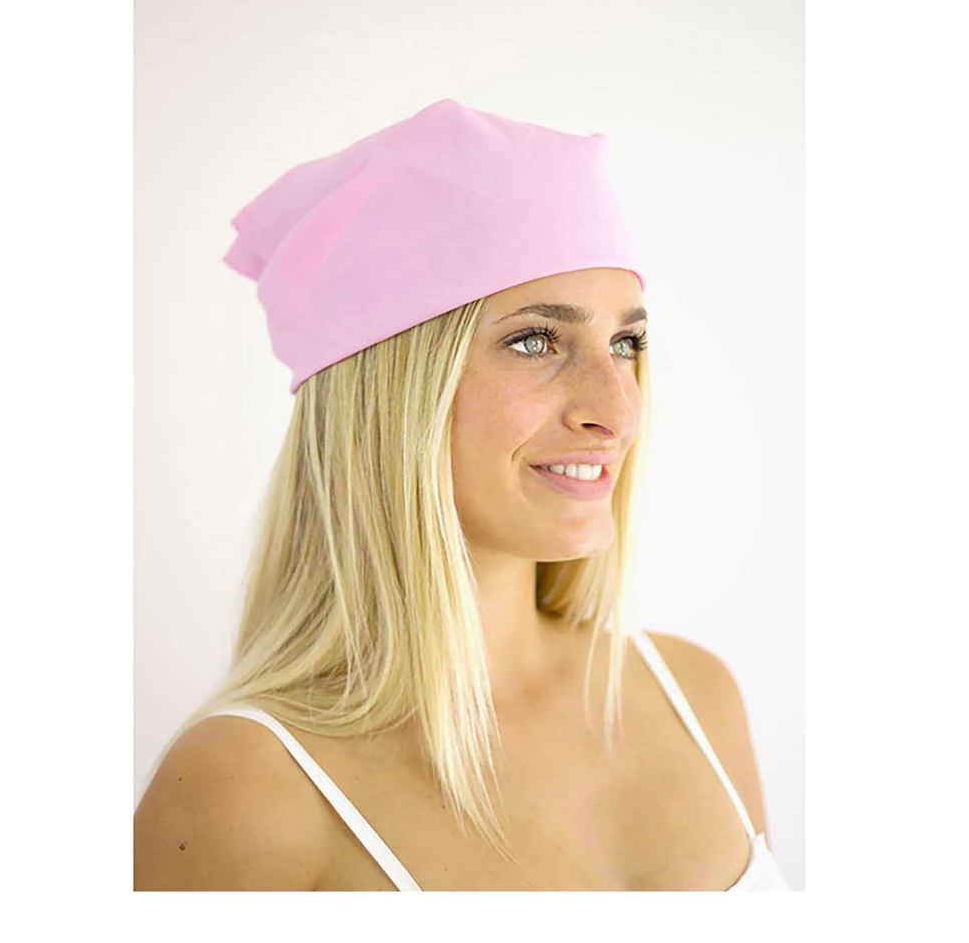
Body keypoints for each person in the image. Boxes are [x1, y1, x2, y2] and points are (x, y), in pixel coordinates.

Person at [134, 99, 790, 891]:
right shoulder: (246, 790)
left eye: (626, 343)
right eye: (535, 341)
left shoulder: (696, 695)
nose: (617, 410)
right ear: (393, 394)